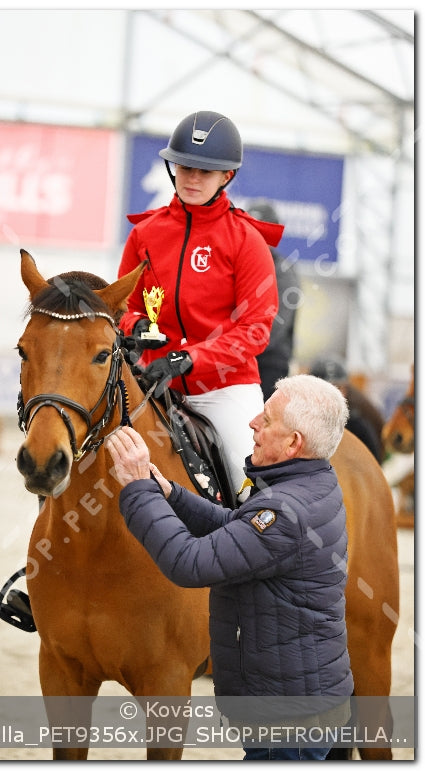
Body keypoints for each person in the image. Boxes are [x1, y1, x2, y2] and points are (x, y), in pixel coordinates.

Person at [106, 374, 353, 761]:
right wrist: (170, 493)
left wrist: (137, 490)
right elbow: (235, 530)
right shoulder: (311, 483)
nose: (253, 423)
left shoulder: (284, 512)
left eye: (268, 420)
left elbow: (190, 562)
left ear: (293, 443)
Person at [117, 110, 283, 500]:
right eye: (186, 166)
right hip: (151, 381)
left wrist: (191, 359)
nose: (192, 178)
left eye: (205, 172)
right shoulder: (144, 234)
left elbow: (256, 330)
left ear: (227, 176)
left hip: (224, 389)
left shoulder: (245, 240)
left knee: (253, 489)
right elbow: (122, 306)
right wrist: (135, 325)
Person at [247, 199, 301, 400]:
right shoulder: (237, 264)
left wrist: (237, 348)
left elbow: (276, 326)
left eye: (261, 230)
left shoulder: (283, 272)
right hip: (236, 358)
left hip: (268, 363)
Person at [309, 357, 385, 463]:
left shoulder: (358, 424)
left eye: (338, 387)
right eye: (325, 388)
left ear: (346, 389)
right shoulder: (299, 422)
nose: (332, 394)